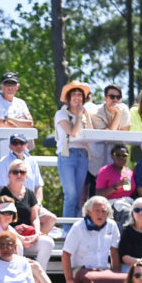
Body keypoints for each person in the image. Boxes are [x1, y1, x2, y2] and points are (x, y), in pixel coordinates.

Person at [61, 196, 121, 283]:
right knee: (91, 279)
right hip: (81, 270)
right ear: (89, 212)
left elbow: (114, 252)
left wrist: (116, 274)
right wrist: (69, 280)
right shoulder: (78, 227)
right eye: (97, 210)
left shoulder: (112, 226)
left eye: (103, 211)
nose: (100, 214)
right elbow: (66, 254)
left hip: (102, 269)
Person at [54, 80, 94, 218]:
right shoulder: (61, 114)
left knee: (79, 196)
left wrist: (85, 115)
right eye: (74, 95)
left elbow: (90, 133)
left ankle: (75, 227)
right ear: (69, 98)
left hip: (83, 155)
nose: (77, 98)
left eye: (80, 95)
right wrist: (78, 116)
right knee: (70, 194)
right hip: (67, 155)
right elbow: (73, 132)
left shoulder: (83, 115)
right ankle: (66, 229)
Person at [87, 84, 131, 185]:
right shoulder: (96, 113)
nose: (115, 100)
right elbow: (107, 136)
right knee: (99, 193)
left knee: (126, 187)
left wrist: (119, 113)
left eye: (118, 97)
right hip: (99, 163)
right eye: (112, 97)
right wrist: (117, 115)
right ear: (105, 98)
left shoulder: (124, 109)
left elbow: (125, 133)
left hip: (120, 159)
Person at [95, 144, 137, 227]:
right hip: (112, 203)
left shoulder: (129, 172)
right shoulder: (105, 171)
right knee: (127, 213)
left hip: (128, 201)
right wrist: (117, 186)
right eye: (117, 155)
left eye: (124, 155)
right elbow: (98, 194)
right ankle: (123, 239)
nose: (121, 157)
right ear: (112, 156)